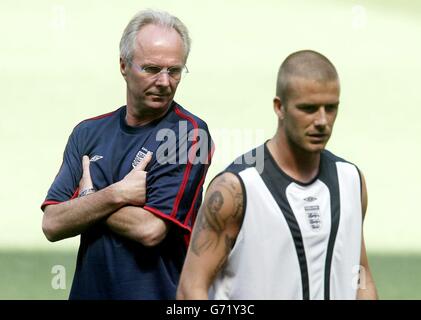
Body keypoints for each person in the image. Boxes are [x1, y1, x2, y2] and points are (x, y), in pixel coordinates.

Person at [177, 50, 378, 300]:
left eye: (331, 108)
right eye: (308, 108)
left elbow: (359, 273)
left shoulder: (351, 181)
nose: (322, 121)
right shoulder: (236, 189)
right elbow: (190, 289)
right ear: (279, 107)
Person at [41, 9, 213, 300]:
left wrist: (86, 199)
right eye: (151, 69)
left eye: (174, 70)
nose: (164, 81)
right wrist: (117, 194)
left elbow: (150, 229)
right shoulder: (87, 132)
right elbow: (53, 223)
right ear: (123, 65)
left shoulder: (189, 135)